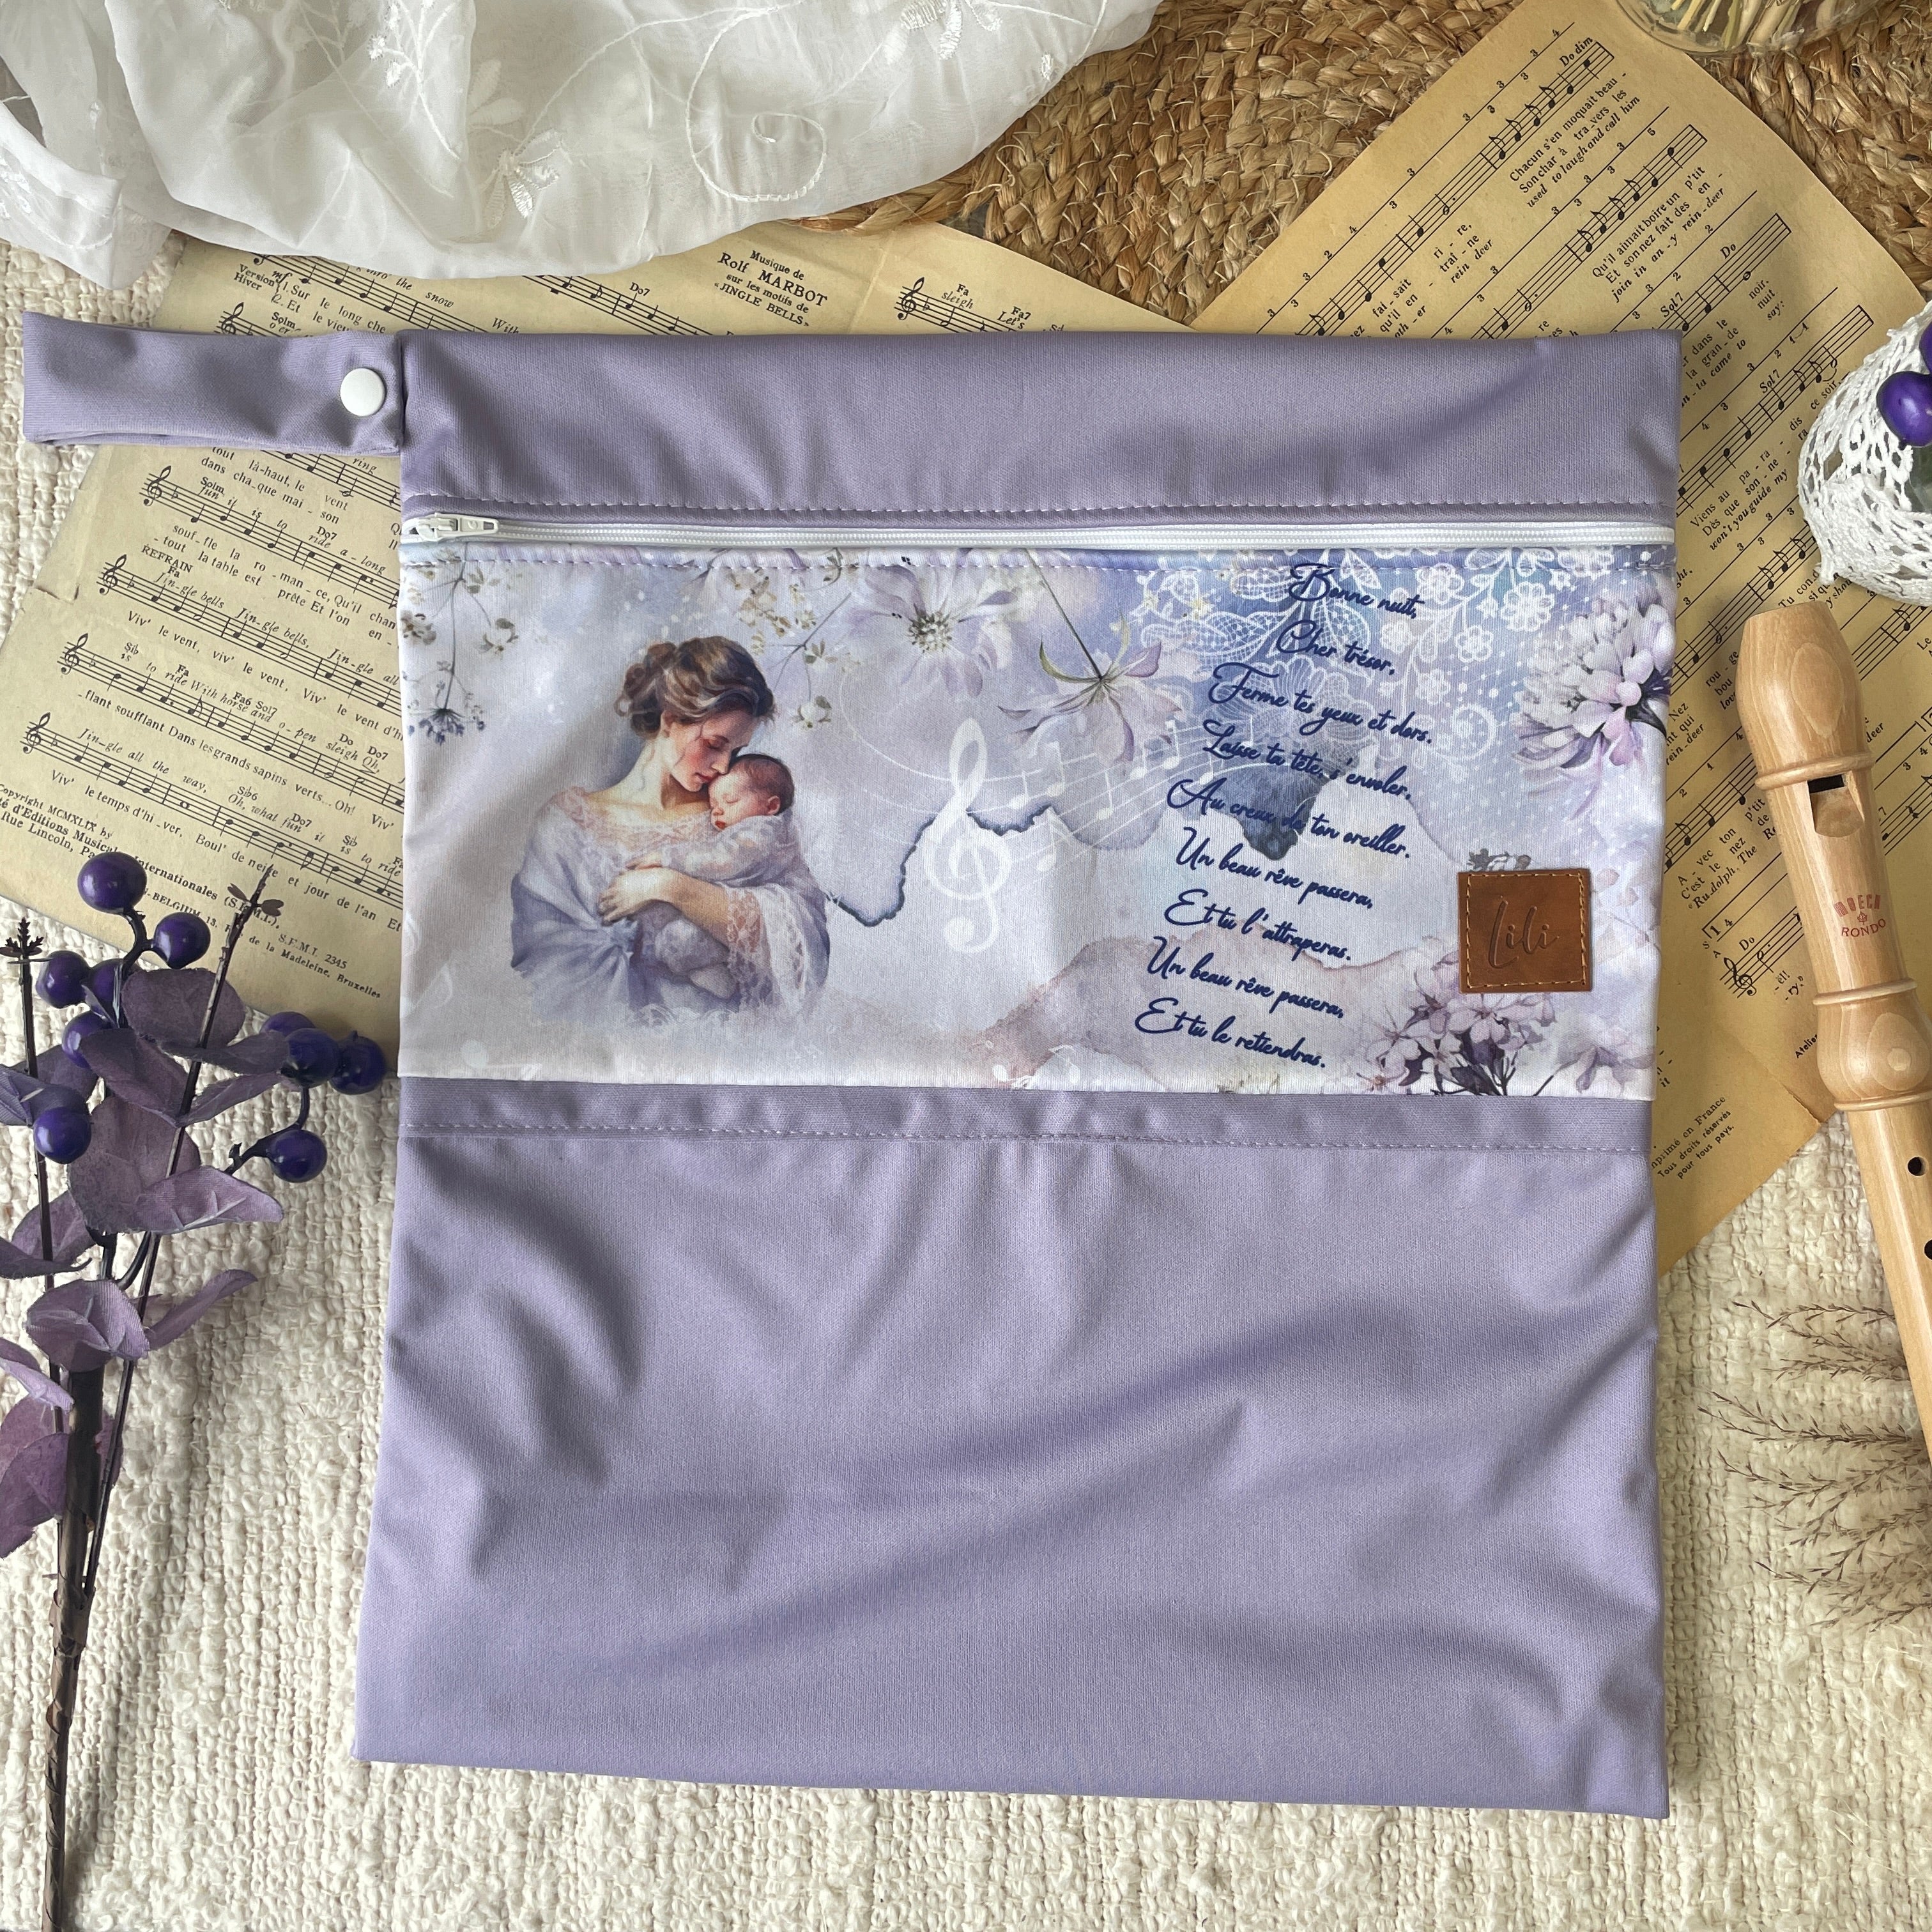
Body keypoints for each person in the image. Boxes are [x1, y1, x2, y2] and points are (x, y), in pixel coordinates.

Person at [509, 639, 828, 1022]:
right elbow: (546, 969)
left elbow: (803, 940)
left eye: (735, 752)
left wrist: (672, 886)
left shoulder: (740, 819)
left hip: (725, 1038)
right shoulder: (569, 825)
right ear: (670, 719)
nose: (724, 767)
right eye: (715, 744)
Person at [621, 753, 801, 1002]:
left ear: (770, 807)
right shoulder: (742, 829)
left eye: (730, 801)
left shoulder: (763, 832)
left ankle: (714, 977)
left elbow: (723, 860)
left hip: (736, 923)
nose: (718, 811)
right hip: (714, 917)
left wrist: (667, 857)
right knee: (670, 936)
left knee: (680, 939)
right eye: (713, 805)